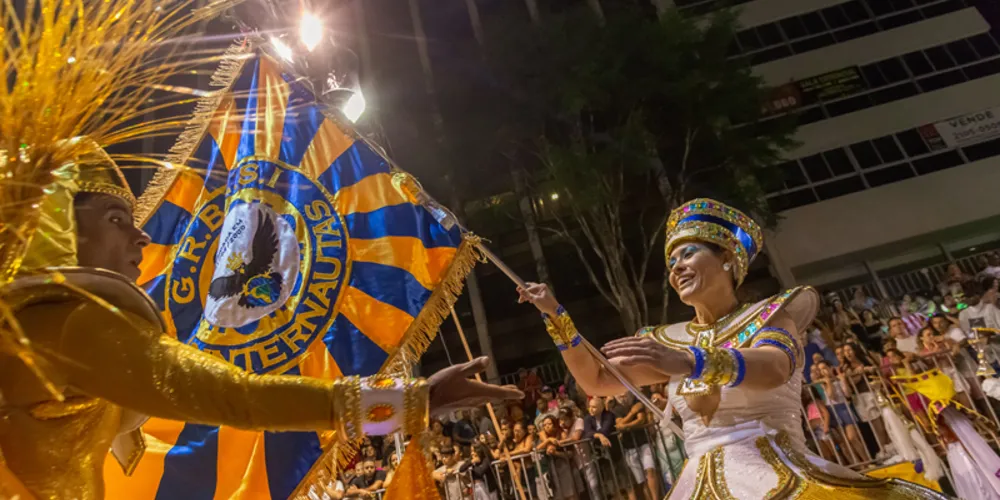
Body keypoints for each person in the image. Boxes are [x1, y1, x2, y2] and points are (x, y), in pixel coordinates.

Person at [0, 143, 524, 499]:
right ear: (54, 233)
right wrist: (413, 403)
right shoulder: (71, 325)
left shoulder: (34, 333)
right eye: (117, 220)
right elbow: (239, 397)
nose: (139, 238)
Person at [518, 198, 945, 498]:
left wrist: (690, 361)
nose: (677, 268)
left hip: (778, 475)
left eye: (687, 254)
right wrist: (556, 316)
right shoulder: (669, 339)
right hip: (699, 482)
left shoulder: (768, 316)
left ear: (726, 258)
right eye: (671, 264)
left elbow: (775, 368)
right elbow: (596, 381)